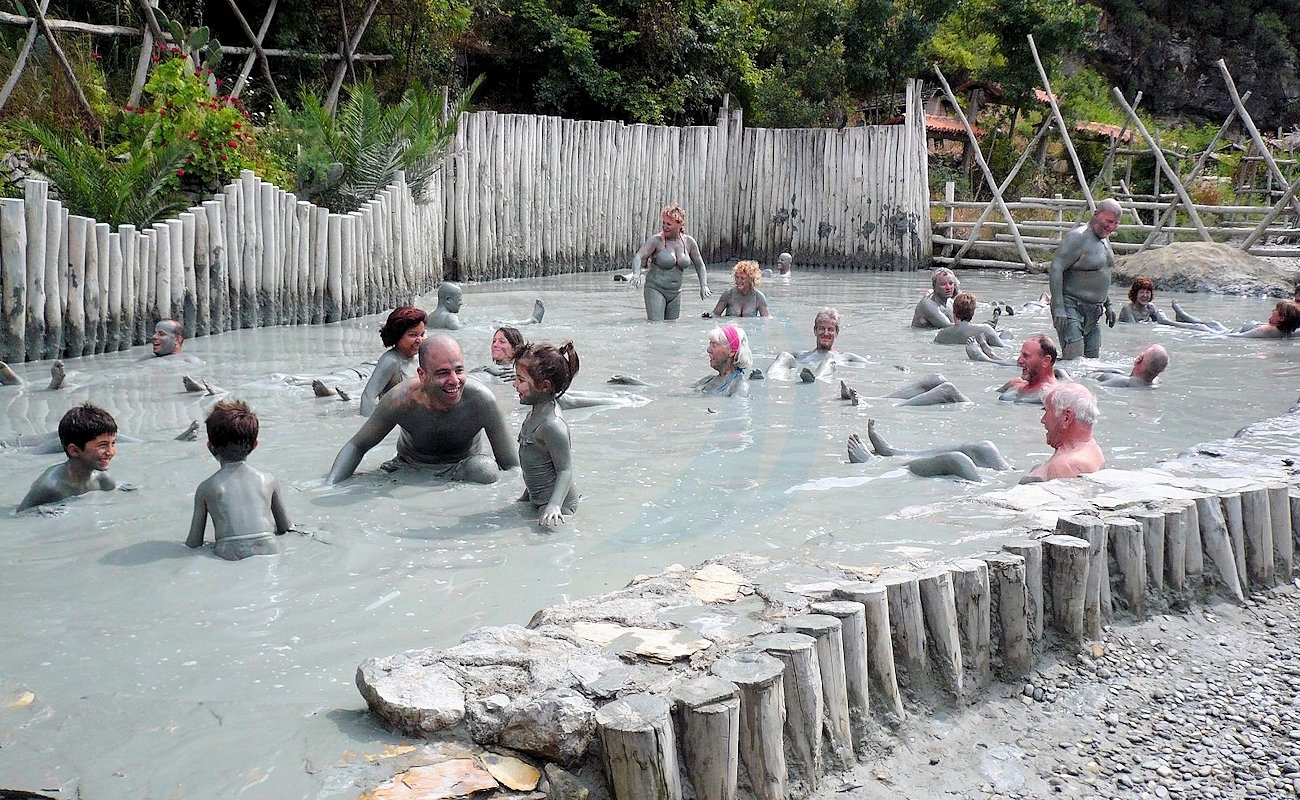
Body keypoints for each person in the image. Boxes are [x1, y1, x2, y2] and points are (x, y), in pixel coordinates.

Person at [326, 335, 519, 485]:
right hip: (407, 467)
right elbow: (357, 446)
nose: (454, 381)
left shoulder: (481, 400)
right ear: (422, 375)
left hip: (459, 470)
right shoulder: (400, 399)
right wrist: (330, 486)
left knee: (485, 470)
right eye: (443, 373)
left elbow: (511, 467)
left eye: (459, 370)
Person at [186, 400, 292, 560]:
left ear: (210, 447)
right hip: (270, 549)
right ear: (255, 445)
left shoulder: (207, 488)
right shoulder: (269, 480)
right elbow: (286, 528)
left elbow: (194, 544)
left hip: (229, 553)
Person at [513, 341, 580, 529]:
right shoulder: (533, 415)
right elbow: (535, 463)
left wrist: (554, 505)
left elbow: (565, 471)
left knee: (541, 538)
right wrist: (525, 498)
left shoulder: (552, 425)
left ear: (544, 386)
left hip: (561, 508)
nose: (514, 384)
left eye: (521, 380)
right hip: (538, 500)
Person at [1049, 199, 1121, 359]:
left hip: (1094, 311)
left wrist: (1108, 304)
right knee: (1075, 362)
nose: (1111, 227)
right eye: (1108, 221)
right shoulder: (1077, 237)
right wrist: (1059, 307)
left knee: (1091, 366)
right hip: (1070, 306)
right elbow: (1056, 268)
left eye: (1116, 223)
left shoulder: (1104, 239)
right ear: (1096, 214)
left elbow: (1101, 274)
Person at [18, 403, 118, 511]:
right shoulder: (50, 487)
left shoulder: (104, 480)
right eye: (102, 445)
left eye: (113, 443)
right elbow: (20, 516)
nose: (110, 452)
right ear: (74, 450)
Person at [847, 418, 1010, 481]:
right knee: (984, 448)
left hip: (985, 486)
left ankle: (877, 464)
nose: (1019, 361)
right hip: (1009, 475)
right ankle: (893, 452)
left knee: (956, 460)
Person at [630, 204, 711, 321]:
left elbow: (700, 264)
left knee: (672, 328)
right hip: (655, 289)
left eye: (669, 224)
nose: (664, 226)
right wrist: (636, 274)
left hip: (675, 292)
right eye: (663, 223)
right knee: (656, 326)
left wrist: (704, 285)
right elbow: (638, 256)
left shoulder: (689, 242)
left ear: (679, 224)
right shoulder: (657, 240)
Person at [1022, 382, 1105, 482]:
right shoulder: (1093, 449)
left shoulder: (1065, 466)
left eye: (1047, 411)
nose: (1043, 420)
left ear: (1066, 417)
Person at [768, 308, 868, 383]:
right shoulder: (801, 355)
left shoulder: (845, 356)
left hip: (821, 377)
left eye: (830, 329)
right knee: (784, 355)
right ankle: (770, 376)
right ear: (815, 331)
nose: (825, 333)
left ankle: (815, 379)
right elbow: (779, 361)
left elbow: (868, 364)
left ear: (837, 333)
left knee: (829, 361)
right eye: (822, 328)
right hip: (802, 373)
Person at [360, 306, 427, 416]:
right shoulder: (391, 361)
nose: (419, 340)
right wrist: (370, 429)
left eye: (422, 334)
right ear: (397, 336)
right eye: (413, 335)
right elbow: (368, 396)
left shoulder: (421, 357)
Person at [1169, 299, 1300, 338]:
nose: (1272, 310)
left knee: (1201, 327)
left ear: (1281, 318)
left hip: (1231, 334)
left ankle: (1166, 322)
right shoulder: (1288, 331)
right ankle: (1183, 316)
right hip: (1232, 330)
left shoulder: (1268, 330)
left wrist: (1208, 336)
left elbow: (1236, 338)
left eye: (1276, 310)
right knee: (1214, 322)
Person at [998, 334, 1059, 404]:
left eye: (1026, 356)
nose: (1019, 361)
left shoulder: (1052, 396)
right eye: (1020, 355)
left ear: (1046, 361)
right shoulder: (1015, 383)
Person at [933, 292, 1008, 348]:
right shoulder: (985, 329)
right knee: (1007, 333)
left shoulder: (942, 334)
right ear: (973, 311)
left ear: (954, 310)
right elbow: (1003, 348)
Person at [695, 325, 752, 397]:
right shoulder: (707, 380)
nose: (708, 350)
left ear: (731, 352)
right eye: (710, 344)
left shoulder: (740, 388)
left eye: (714, 345)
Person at [704, 260, 770, 318]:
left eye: (742, 278)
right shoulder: (728, 294)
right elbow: (715, 315)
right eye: (737, 277)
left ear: (751, 280)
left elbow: (766, 319)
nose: (738, 281)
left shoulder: (759, 297)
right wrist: (707, 316)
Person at [1090, 344, 1168, 388]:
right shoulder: (1157, 381)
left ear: (1139, 358)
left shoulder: (1121, 382)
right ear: (1162, 369)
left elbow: (1094, 388)